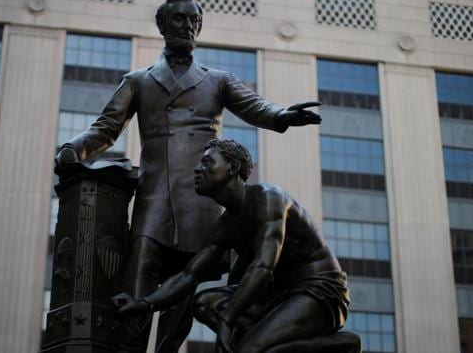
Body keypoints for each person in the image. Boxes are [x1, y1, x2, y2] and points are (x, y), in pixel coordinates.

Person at [55, 0, 321, 351]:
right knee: (140, 272)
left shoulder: (218, 80)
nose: (187, 27)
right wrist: (73, 149)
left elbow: (255, 106)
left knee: (183, 290)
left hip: (200, 199)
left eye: (194, 20)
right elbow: (106, 127)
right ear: (163, 25)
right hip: (155, 198)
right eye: (179, 19)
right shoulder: (138, 81)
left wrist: (282, 116)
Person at [113, 140, 360, 353]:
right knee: (204, 303)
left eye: (207, 162)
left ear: (232, 168)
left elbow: (263, 266)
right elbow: (188, 276)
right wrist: (145, 303)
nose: (198, 169)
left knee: (248, 349)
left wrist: (228, 320)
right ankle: (286, 344)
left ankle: (335, 345)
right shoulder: (226, 224)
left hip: (318, 291)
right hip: (278, 297)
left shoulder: (268, 198)